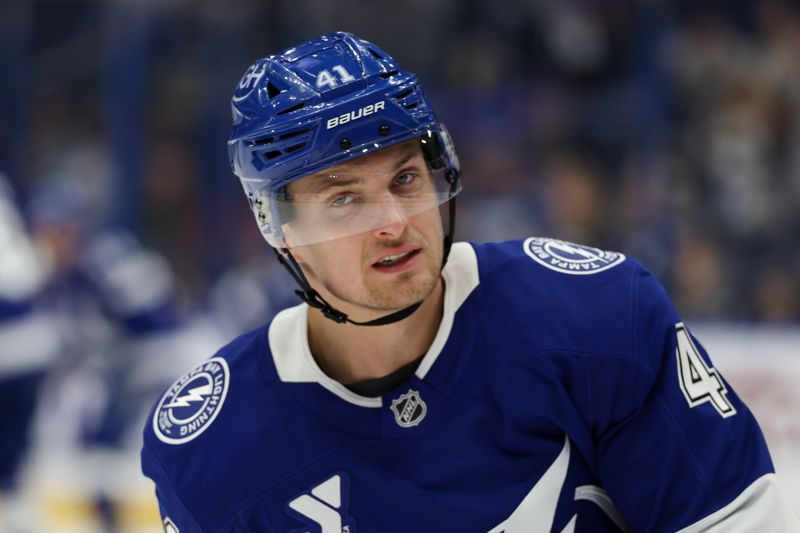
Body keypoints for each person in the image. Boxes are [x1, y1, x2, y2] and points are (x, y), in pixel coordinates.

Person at [141, 32, 799, 532]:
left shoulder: (595, 317)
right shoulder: (214, 449)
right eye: (345, 199)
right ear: (276, 226)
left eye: (405, 179)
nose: (394, 223)